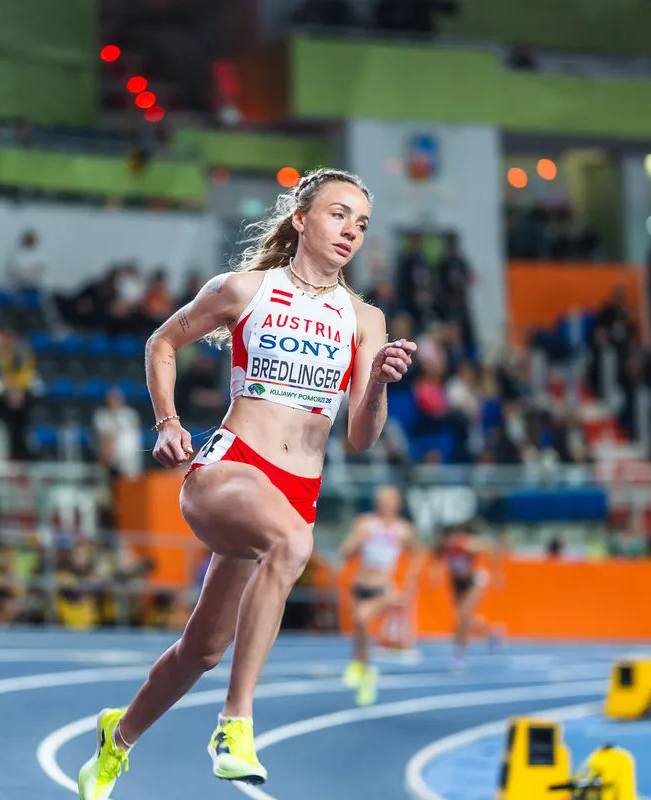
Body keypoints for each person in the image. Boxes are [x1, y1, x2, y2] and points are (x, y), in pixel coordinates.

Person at [77, 168, 417, 798]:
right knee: (292, 546)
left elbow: (362, 437)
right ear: (301, 218)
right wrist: (168, 421)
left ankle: (116, 739)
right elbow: (161, 342)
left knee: (201, 650)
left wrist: (376, 386)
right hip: (230, 470)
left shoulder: (365, 318)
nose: (352, 231)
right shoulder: (244, 289)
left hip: (295, 493)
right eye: (339, 214)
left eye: (362, 223)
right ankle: (235, 723)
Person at [338, 485, 423, 706]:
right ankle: (361, 665)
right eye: (381, 500)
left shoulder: (403, 529)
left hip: (384, 588)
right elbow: (346, 551)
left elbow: (418, 553)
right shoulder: (366, 524)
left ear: (397, 504)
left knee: (361, 618)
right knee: (360, 628)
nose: (384, 504)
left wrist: (409, 583)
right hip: (361, 584)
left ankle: (365, 669)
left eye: (388, 500)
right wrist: (355, 540)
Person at [432, 526, 502, 671]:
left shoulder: (465, 544)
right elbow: (436, 561)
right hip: (457, 585)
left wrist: (497, 573)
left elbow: (491, 547)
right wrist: (435, 575)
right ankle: (491, 633)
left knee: (462, 616)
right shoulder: (442, 548)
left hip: (474, 582)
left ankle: (460, 656)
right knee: (465, 620)